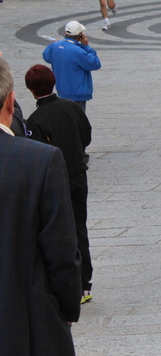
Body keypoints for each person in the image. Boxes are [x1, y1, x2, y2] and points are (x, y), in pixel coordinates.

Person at [0, 58, 82, 356]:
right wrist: (68, 307)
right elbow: (60, 250)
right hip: (25, 324)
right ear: (11, 102)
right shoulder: (38, 161)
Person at [25, 64, 94, 305]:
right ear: (54, 82)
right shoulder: (71, 107)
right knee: (79, 227)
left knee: (60, 232)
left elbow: (36, 154)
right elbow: (86, 134)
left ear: (31, 91)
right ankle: (86, 282)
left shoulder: (35, 120)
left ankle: (70, 283)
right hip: (78, 175)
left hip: (56, 181)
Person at [43, 21, 102, 113]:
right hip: (77, 93)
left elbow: (46, 56)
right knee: (78, 122)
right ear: (80, 36)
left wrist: (52, 45)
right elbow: (95, 64)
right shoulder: (78, 51)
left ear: (64, 33)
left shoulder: (55, 46)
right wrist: (86, 46)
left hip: (62, 91)